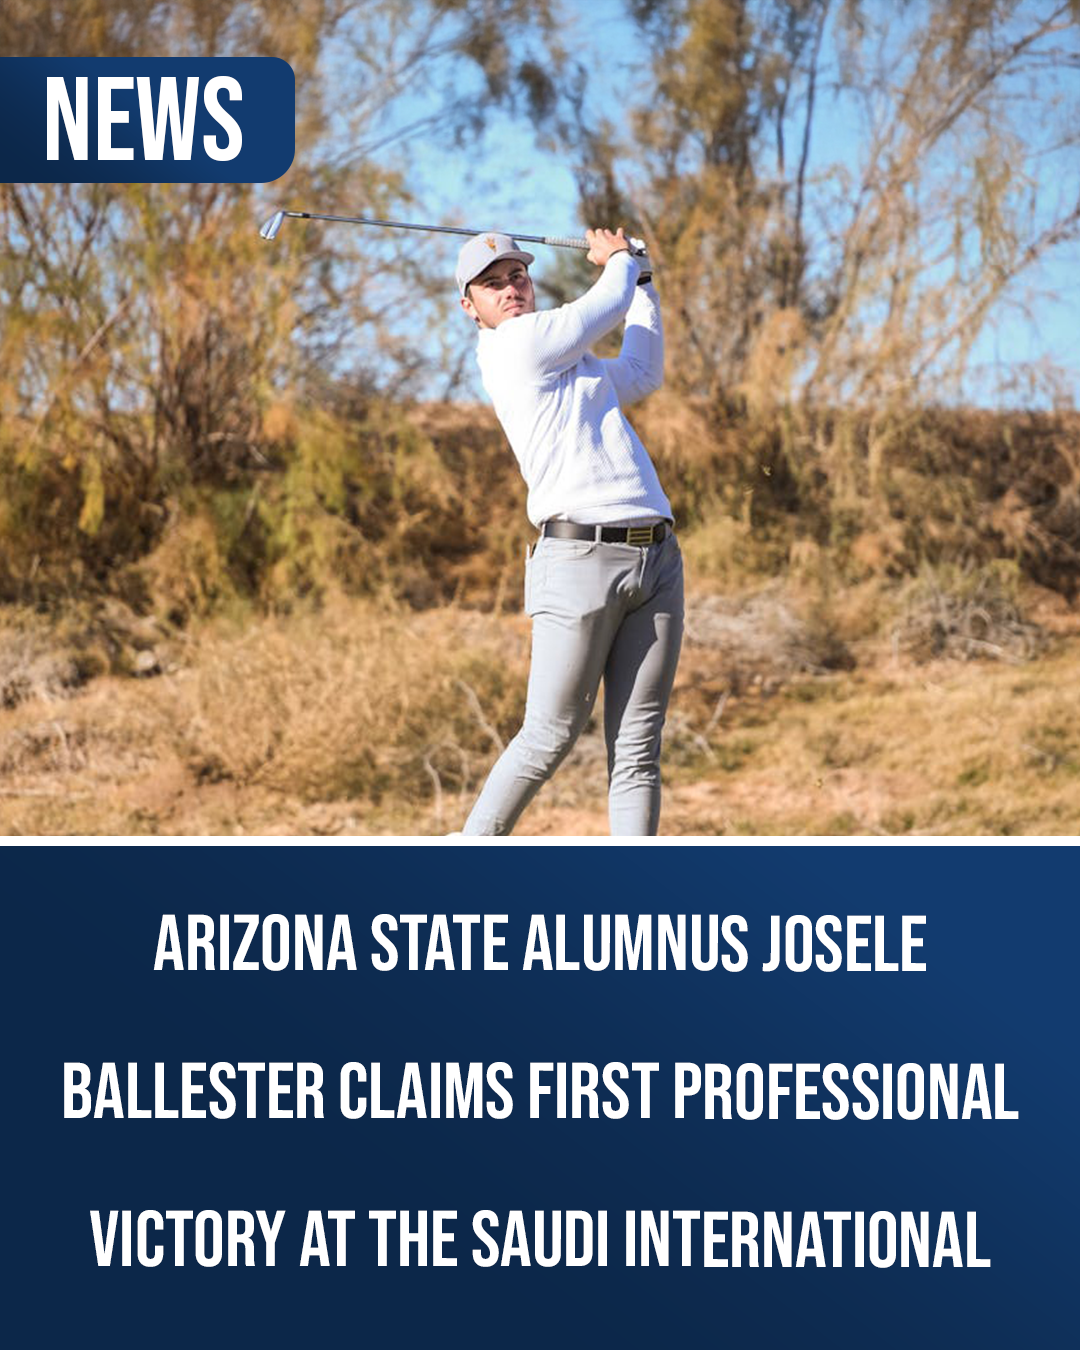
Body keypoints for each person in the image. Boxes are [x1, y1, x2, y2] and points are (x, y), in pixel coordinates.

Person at [455, 226, 683, 836]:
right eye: (490, 283)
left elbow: (641, 369)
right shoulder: (515, 347)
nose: (509, 288)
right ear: (469, 305)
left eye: (517, 276)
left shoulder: (575, 367)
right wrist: (620, 262)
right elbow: (600, 306)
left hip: (657, 559)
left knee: (637, 749)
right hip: (579, 559)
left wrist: (643, 281)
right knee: (549, 734)